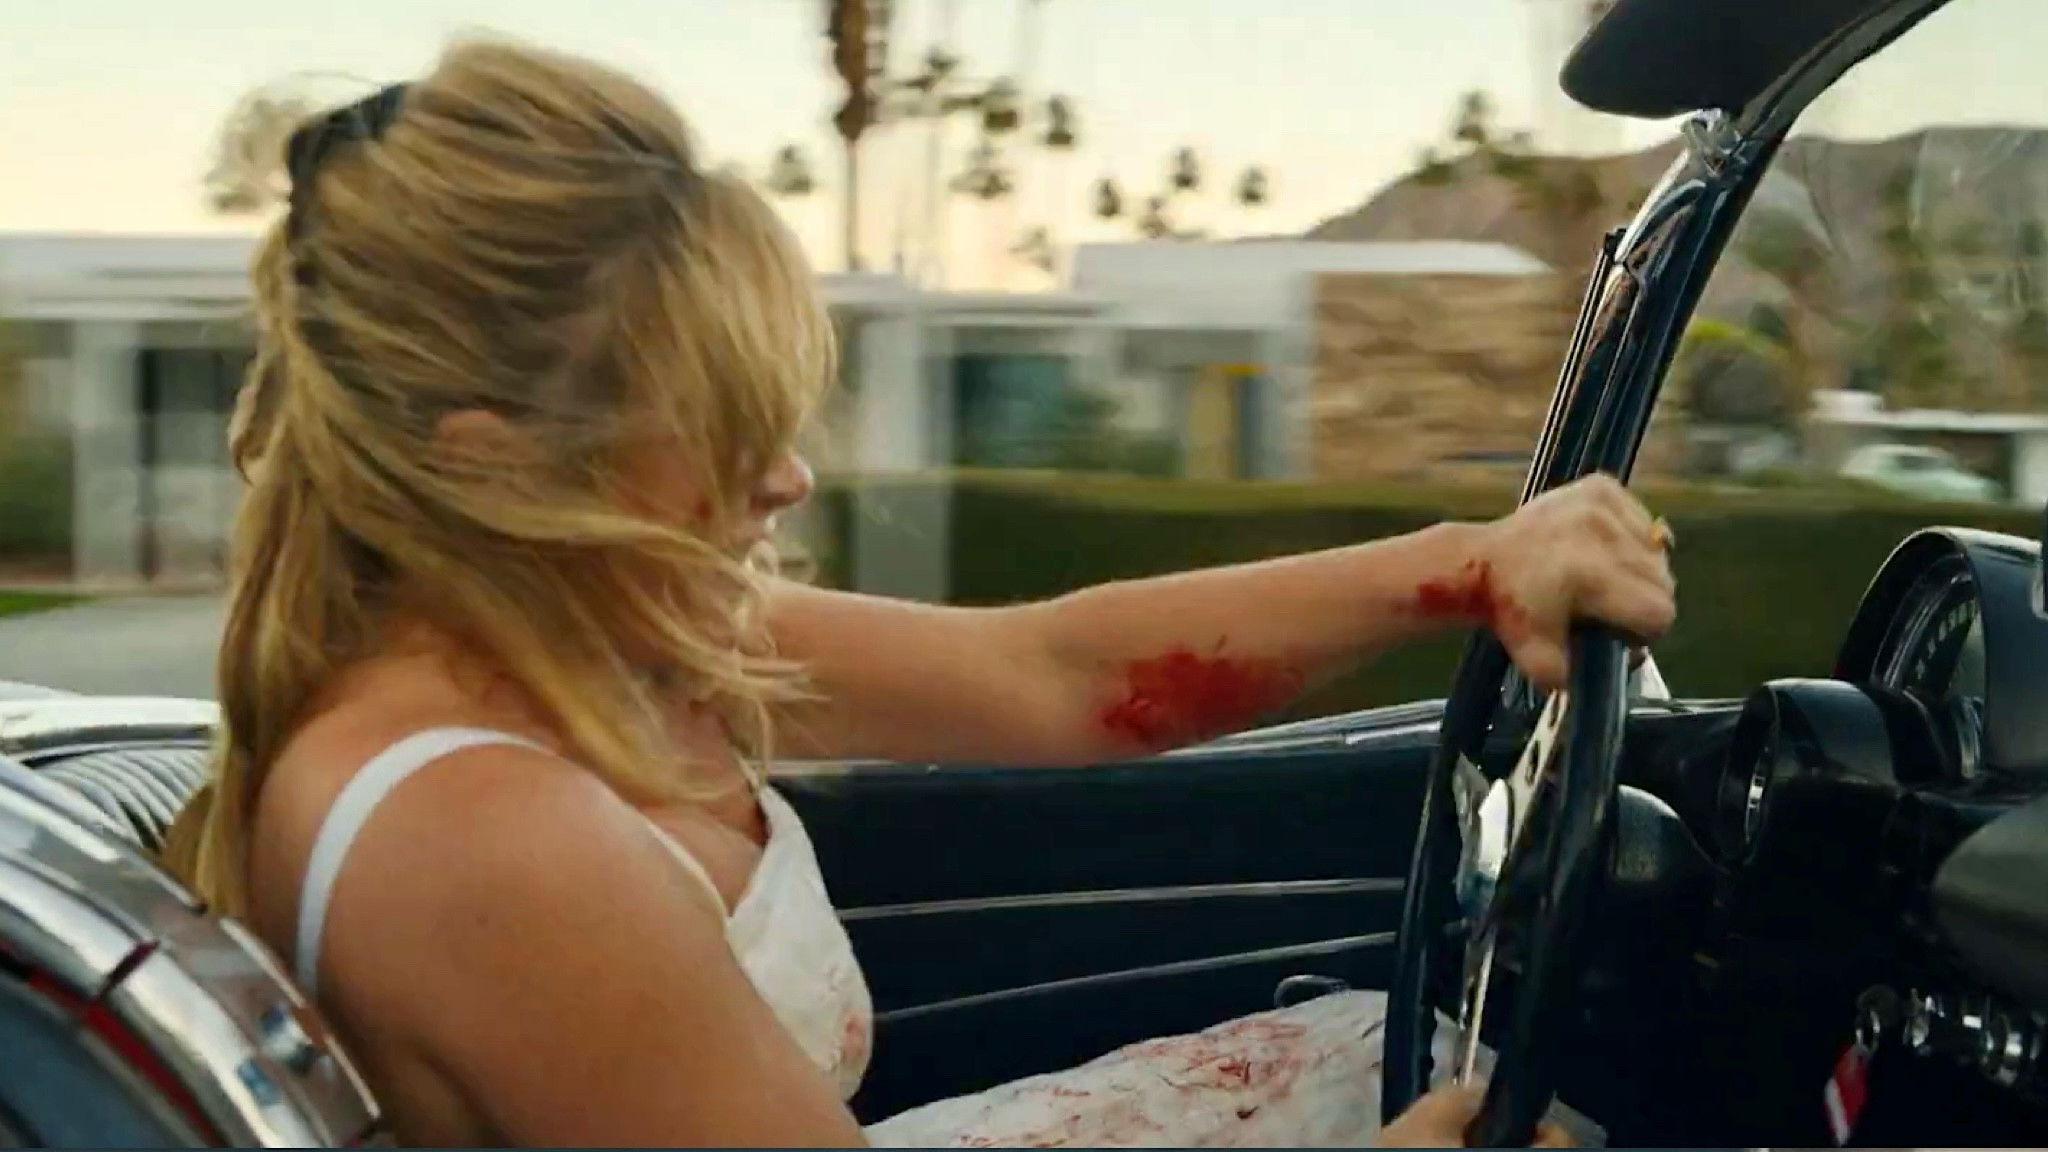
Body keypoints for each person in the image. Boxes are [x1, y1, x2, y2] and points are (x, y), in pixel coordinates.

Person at [159, 37, 1673, 1148]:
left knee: (1381, 1051)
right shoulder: (481, 837)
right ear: (494, 463)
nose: (787, 478)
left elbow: (1057, 677)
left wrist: (1471, 562)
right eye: (725, 430)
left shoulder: (594, 642)